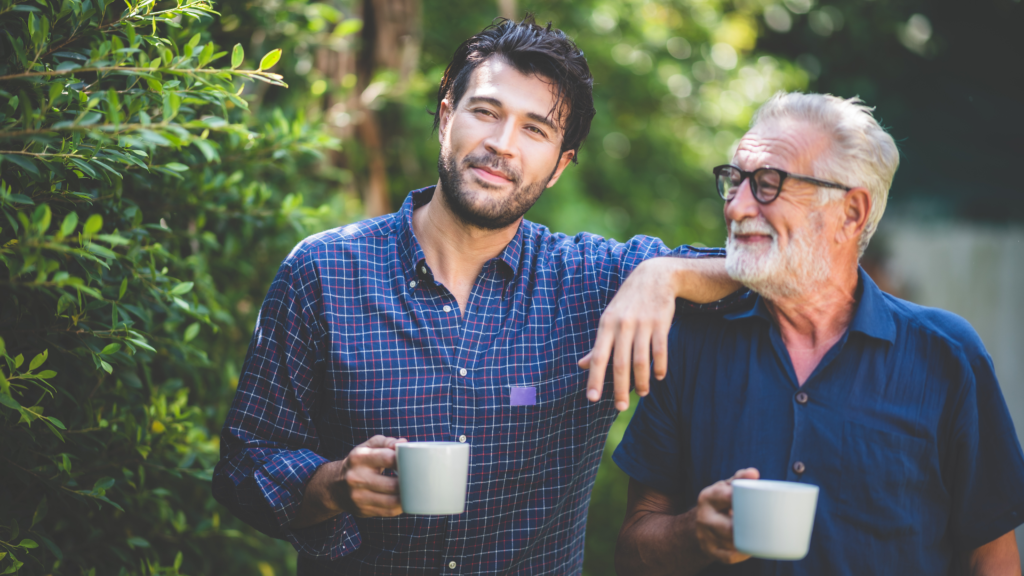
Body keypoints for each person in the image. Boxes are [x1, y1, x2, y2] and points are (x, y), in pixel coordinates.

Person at [213, 16, 743, 575]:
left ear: (560, 166)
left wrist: (664, 276)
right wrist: (332, 485)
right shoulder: (324, 271)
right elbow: (245, 465)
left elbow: (765, 272)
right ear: (446, 117)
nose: (501, 144)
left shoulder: (595, 280)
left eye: (535, 130)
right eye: (485, 112)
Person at [613, 91, 1024, 575]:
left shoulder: (948, 356)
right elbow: (632, 552)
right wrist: (693, 535)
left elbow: (992, 558)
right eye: (735, 181)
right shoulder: (689, 343)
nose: (737, 207)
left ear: (850, 212)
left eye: (768, 184)